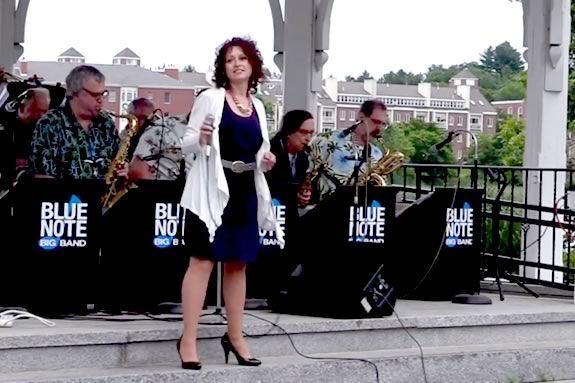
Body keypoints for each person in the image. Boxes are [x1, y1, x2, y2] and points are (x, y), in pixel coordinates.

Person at [178, 37, 283, 370]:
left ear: (253, 65)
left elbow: (255, 150)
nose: (236, 63)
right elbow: (186, 143)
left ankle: (236, 336)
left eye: (242, 58)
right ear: (222, 68)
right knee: (203, 261)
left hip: (245, 188)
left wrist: (265, 160)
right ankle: (188, 340)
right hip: (213, 187)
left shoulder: (259, 106)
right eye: (229, 60)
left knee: (239, 263)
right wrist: (203, 139)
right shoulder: (210, 98)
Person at [29, 65, 120, 179]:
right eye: (95, 95)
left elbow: (116, 161)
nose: (101, 100)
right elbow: (42, 176)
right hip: (63, 196)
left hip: (103, 194)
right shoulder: (50, 123)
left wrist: (122, 170)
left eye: (103, 93)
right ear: (75, 93)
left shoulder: (107, 123)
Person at [308, 99, 389, 203]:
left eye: (383, 124)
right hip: (324, 210)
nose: (379, 128)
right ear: (361, 117)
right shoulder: (326, 140)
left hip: (359, 212)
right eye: (376, 122)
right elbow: (304, 176)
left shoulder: (377, 154)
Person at [0, 87, 50, 189]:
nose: (41, 116)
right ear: (22, 108)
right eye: (37, 111)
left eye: (44, 111)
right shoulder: (5, 127)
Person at [266, 109, 315, 207]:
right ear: (288, 132)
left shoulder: (303, 157)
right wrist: (294, 195)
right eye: (303, 132)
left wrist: (304, 195)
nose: (308, 138)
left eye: (311, 133)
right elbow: (270, 188)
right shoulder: (270, 153)